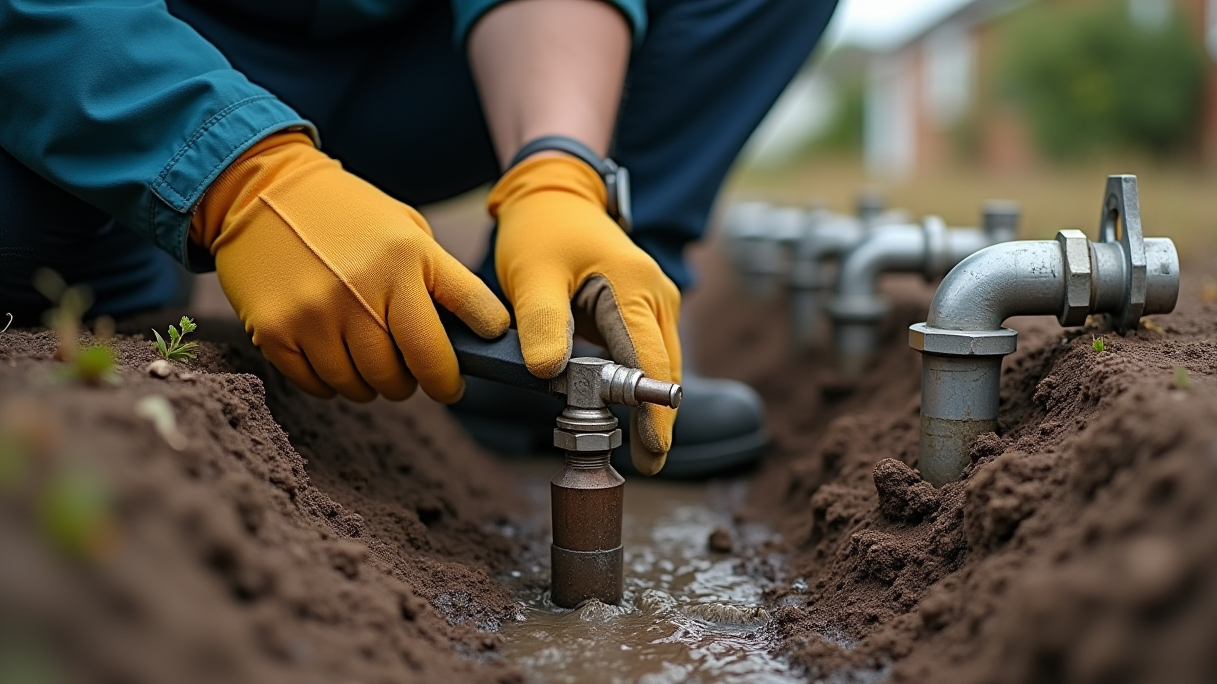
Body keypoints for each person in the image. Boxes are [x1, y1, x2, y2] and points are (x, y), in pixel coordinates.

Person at [0, 0, 838, 477]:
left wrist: (557, 163)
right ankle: (137, 233)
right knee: (40, 255)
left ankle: (558, 339)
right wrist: (232, 174)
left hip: (426, 63)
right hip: (143, 50)